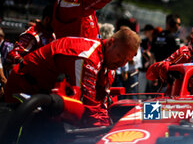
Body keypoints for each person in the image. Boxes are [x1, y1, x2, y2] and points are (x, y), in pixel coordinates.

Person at [5, 27, 141, 126]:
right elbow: (88, 103)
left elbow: (101, 102)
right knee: (22, 140)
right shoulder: (88, 58)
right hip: (23, 86)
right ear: (110, 43)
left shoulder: (110, 65)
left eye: (127, 61)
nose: (122, 63)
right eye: (120, 56)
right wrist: (105, 132)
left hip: (45, 94)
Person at [52, 0, 143, 40]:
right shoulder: (65, 0)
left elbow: (94, 37)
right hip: (70, 69)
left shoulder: (86, 5)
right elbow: (86, 2)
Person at [139, 24, 156, 94]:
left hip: (153, 70)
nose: (144, 33)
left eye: (146, 31)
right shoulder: (143, 42)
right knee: (141, 91)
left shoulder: (156, 41)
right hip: (143, 70)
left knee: (153, 91)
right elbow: (142, 51)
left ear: (151, 31)